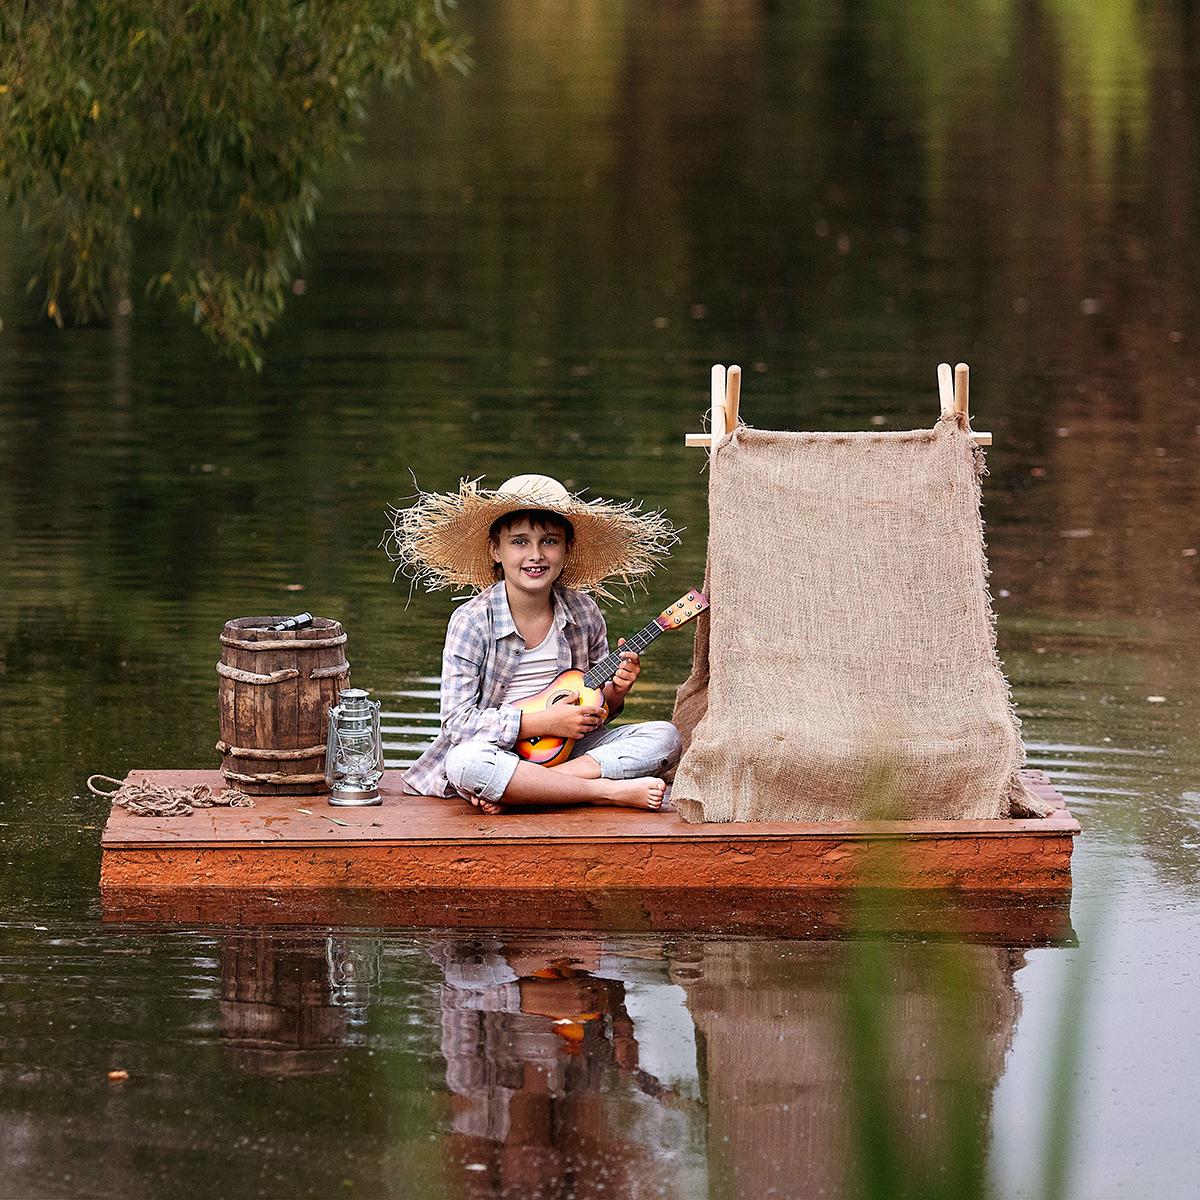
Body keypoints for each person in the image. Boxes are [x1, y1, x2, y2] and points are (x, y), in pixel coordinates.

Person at [386, 473, 682, 815]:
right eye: (520, 542)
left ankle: (531, 789)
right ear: (496, 550)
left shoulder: (584, 611)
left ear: (567, 549)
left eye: (550, 541)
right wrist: (543, 723)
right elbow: (457, 724)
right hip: (497, 753)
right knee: (464, 762)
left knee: (665, 737)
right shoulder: (472, 621)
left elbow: (595, 711)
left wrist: (616, 691)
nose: (536, 555)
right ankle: (600, 791)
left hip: (565, 751)